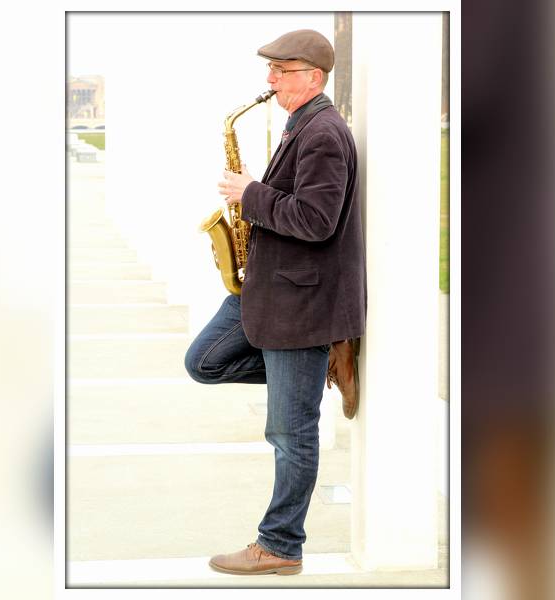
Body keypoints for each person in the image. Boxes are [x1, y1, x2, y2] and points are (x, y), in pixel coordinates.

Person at [183, 28, 365, 576]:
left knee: (289, 432)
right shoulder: (302, 123)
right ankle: (316, 366)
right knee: (204, 362)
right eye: (272, 70)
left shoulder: (324, 134)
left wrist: (250, 194)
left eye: (280, 71)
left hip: (297, 304)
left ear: (313, 77)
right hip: (268, 292)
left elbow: (316, 220)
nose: (270, 79)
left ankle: (281, 545)